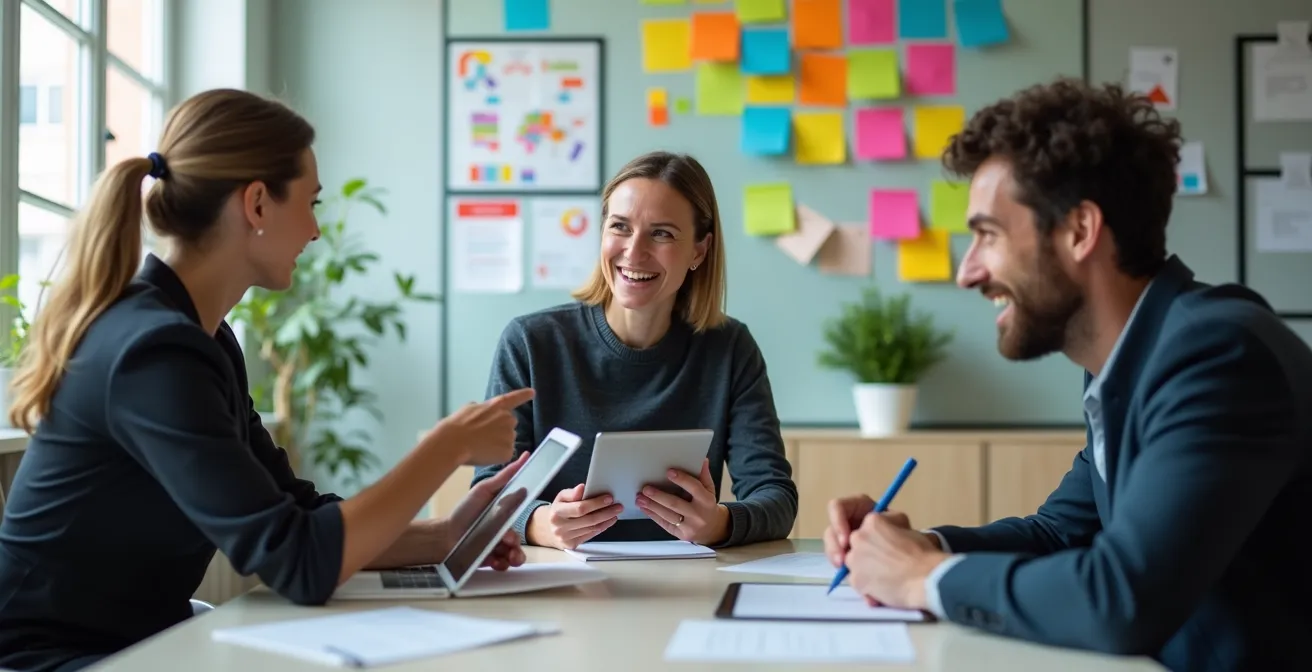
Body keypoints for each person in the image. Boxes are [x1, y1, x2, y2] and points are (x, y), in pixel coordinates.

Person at [0, 89, 534, 672]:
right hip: (51, 659)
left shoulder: (203, 337)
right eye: (311, 203)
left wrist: (445, 534)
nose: (315, 231)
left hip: (145, 640)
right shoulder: (151, 350)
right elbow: (299, 562)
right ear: (256, 204)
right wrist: (447, 447)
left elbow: (294, 515)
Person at [821, 77, 1312, 671]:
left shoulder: (1217, 357)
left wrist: (924, 577)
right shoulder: (1131, 361)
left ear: (1080, 231)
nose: (967, 272)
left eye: (987, 235)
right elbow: (1060, 534)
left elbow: (1121, 600)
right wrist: (925, 546)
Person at [471, 151, 798, 550]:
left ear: (699, 250)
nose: (634, 251)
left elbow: (776, 498)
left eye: (661, 233)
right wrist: (539, 524)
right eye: (620, 227)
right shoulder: (530, 342)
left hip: (687, 586)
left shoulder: (730, 350)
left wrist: (720, 524)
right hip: (559, 587)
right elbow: (486, 500)